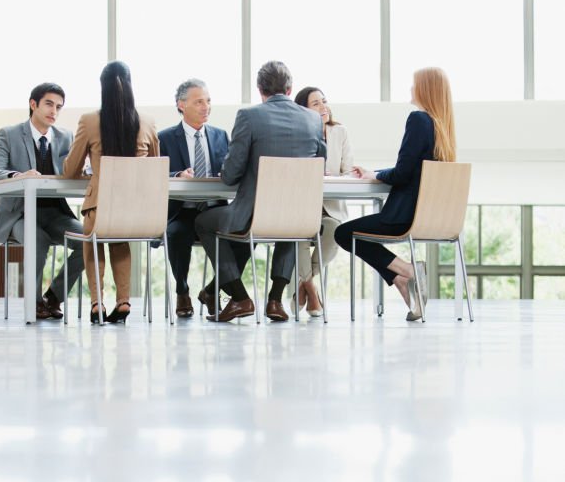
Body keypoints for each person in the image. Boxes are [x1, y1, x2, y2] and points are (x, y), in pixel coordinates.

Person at [195, 60, 326, 323]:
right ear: (290, 90)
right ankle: (275, 301)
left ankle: (240, 297)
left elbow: (230, 175)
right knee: (290, 225)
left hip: (253, 215)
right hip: (297, 217)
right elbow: (320, 162)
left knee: (203, 222)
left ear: (260, 90)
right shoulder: (313, 119)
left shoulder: (249, 117)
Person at [334, 66, 456, 320]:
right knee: (357, 235)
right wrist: (376, 172)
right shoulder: (441, 128)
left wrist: (377, 176)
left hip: (404, 216)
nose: (411, 89)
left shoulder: (418, 119)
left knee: (343, 233)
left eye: (414, 84)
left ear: (425, 89)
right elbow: (412, 170)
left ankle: (409, 272)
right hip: (430, 216)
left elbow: (402, 174)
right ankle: (399, 279)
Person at [63, 61, 158, 323]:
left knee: (93, 242)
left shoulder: (89, 121)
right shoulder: (148, 123)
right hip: (135, 211)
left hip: (99, 206)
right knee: (119, 240)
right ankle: (124, 301)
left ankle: (96, 304)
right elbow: (154, 170)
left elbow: (70, 170)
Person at [0, 82, 85, 320]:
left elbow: (75, 168)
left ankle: (52, 298)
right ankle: (35, 303)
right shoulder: (10, 134)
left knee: (89, 240)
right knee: (37, 238)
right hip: (20, 214)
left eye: (59, 107)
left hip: (55, 214)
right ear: (33, 104)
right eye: (49, 104)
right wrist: (18, 175)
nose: (54, 111)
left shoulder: (66, 137)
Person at [158, 80, 230, 318]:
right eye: (199, 101)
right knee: (177, 234)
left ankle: (212, 289)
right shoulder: (165, 138)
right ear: (181, 104)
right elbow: (155, 173)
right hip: (183, 210)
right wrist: (176, 175)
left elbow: (231, 170)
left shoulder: (221, 136)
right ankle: (182, 290)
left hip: (214, 209)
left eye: (208, 101)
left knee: (244, 234)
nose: (206, 107)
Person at [294, 86, 354, 316]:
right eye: (315, 103)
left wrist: (333, 177)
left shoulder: (340, 132)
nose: (323, 107)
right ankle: (311, 289)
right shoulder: (297, 134)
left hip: (330, 208)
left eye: (324, 101)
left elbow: (347, 170)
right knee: (297, 235)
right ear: (303, 110)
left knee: (335, 232)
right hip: (302, 208)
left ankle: (304, 284)